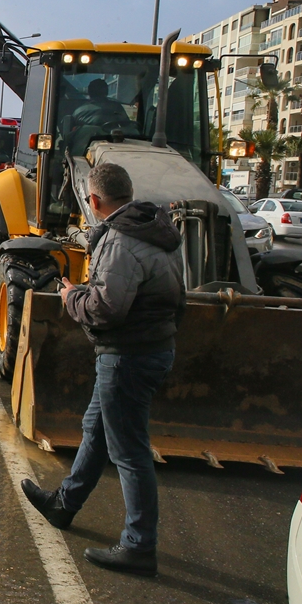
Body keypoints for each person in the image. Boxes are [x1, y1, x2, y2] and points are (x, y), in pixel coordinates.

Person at [20, 163, 184, 577]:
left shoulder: (120, 240)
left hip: (127, 355)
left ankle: (139, 545)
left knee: (129, 450)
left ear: (93, 201)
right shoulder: (158, 232)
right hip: (151, 349)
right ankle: (64, 504)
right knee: (95, 428)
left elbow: (106, 309)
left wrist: (71, 296)